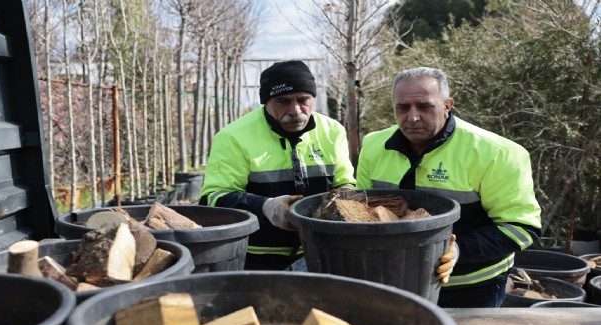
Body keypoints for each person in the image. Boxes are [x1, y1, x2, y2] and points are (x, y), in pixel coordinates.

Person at [356, 67, 542, 308]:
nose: (412, 117)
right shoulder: (373, 146)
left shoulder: (497, 153)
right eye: (403, 107)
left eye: (424, 106)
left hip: (472, 289)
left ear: (447, 105)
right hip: (394, 282)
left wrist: (458, 251)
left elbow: (522, 227)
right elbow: (359, 212)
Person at [199, 60, 356, 271]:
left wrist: (345, 198)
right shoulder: (233, 137)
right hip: (253, 257)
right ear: (266, 102)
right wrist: (264, 207)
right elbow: (212, 199)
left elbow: (346, 183)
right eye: (283, 101)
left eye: (303, 99)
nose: (295, 110)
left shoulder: (332, 131)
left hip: (318, 252)